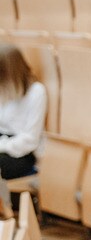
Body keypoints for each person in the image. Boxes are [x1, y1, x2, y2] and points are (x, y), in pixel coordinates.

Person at [0, 44, 46, 186]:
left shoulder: (37, 92)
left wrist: (3, 145)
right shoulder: (4, 89)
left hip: (20, 154)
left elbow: (30, 140)